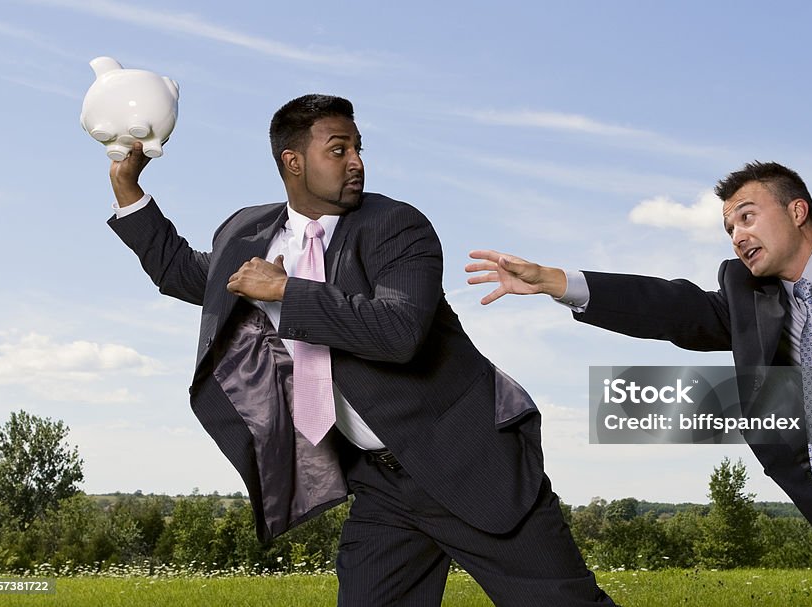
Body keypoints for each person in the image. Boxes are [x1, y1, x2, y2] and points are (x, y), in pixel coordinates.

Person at [106, 94, 616, 606]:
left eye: (358, 147)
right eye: (339, 149)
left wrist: (286, 291)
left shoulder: (397, 227)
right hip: (379, 485)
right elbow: (187, 274)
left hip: (471, 464)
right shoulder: (247, 231)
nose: (357, 162)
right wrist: (129, 190)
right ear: (293, 162)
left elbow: (397, 332)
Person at [467, 161, 812, 606]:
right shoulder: (753, 300)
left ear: (798, 211)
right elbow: (674, 310)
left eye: (748, 217)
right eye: (729, 229)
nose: (738, 235)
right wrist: (561, 284)